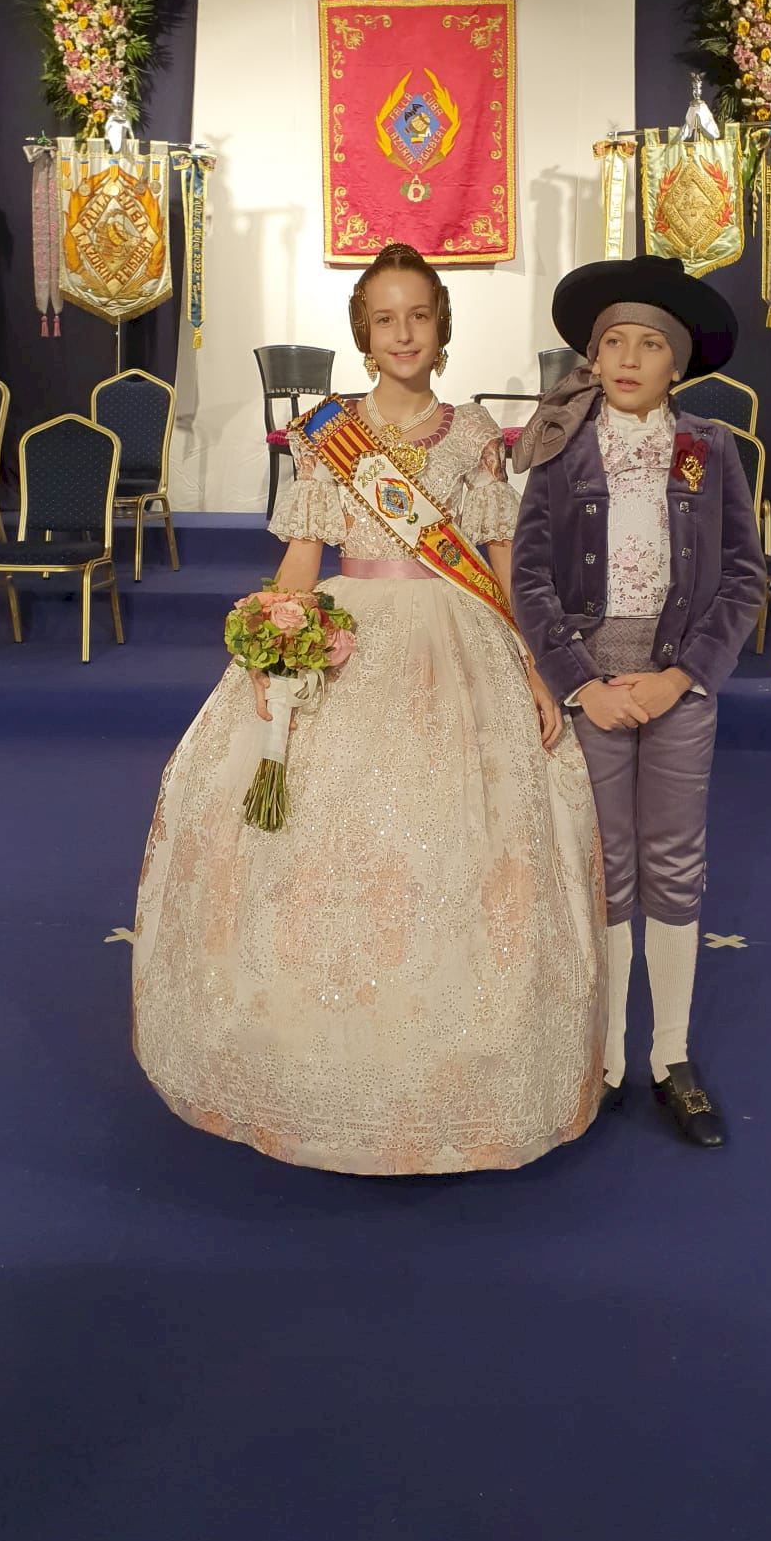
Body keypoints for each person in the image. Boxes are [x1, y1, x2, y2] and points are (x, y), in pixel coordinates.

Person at [131, 243, 605, 1175]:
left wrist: (535, 663)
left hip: (459, 638)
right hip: (347, 635)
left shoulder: (474, 433)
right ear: (364, 333)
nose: (403, 333)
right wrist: (274, 643)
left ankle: (459, 1072)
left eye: (418, 316)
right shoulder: (327, 433)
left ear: (440, 329)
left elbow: (501, 559)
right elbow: (304, 555)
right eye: (385, 319)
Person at [511, 256, 766, 1148]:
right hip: (593, 688)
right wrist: (581, 682)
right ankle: (613, 1056)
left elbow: (743, 577)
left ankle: (671, 1055)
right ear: (592, 355)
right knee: (609, 865)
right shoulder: (559, 449)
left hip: (676, 686)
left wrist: (680, 675)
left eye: (649, 345)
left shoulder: (711, 449)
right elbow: (531, 580)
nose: (628, 358)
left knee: (674, 863)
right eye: (613, 341)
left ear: (677, 365)